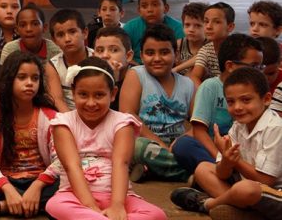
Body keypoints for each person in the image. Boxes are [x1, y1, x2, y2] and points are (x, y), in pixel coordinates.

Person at [45, 57, 168, 220]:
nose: (91, 103)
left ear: (113, 94)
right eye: (83, 94)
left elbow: (121, 163)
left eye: (99, 95)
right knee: (54, 205)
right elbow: (71, 166)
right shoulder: (63, 123)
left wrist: (117, 206)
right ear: (73, 92)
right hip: (74, 195)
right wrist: (91, 207)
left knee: (157, 215)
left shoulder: (123, 123)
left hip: (119, 196)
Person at [170, 67, 282, 218]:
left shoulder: (275, 127)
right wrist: (227, 160)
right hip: (249, 186)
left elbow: (266, 181)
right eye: (231, 102)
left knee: (245, 190)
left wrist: (236, 162)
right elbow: (221, 174)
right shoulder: (237, 126)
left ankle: (208, 204)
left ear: (266, 99)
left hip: (274, 192)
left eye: (246, 100)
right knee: (203, 169)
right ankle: (245, 211)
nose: (237, 107)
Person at [0, 51, 60, 220]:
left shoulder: (50, 116)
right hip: (7, 179)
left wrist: (37, 185)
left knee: (72, 180)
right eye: (22, 77)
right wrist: (7, 188)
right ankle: (31, 203)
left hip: (42, 180)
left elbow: (60, 160)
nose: (30, 83)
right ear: (8, 80)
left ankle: (4, 206)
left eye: (35, 78)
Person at [172, 34, 264, 174]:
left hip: (243, 152)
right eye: (254, 66)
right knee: (184, 145)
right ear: (230, 66)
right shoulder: (210, 87)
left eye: (260, 67)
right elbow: (199, 130)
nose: (258, 72)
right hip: (213, 150)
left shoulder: (256, 90)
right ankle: (218, 174)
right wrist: (221, 159)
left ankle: (208, 177)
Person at [120, 24, 194, 182]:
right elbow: (128, 116)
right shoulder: (136, 75)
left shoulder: (188, 84)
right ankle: (193, 175)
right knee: (136, 147)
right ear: (141, 55)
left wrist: (181, 143)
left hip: (178, 145)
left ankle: (151, 169)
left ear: (177, 54)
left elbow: (198, 124)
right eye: (150, 53)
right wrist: (160, 144)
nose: (157, 58)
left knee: (204, 141)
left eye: (165, 52)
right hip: (145, 140)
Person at [123, 0, 185, 64]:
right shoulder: (130, 28)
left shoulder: (178, 28)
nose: (150, 10)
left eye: (155, 5)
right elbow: (123, 55)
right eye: (144, 6)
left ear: (166, 8)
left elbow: (181, 57)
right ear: (139, 10)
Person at [47, 9, 93, 111]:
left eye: (72, 32)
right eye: (60, 35)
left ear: (85, 33)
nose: (67, 39)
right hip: (68, 116)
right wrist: (72, 124)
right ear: (54, 40)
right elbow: (57, 100)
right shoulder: (53, 66)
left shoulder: (97, 57)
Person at [189, 2, 236, 86]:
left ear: (230, 27)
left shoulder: (238, 48)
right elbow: (194, 76)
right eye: (206, 21)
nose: (209, 26)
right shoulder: (206, 50)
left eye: (216, 22)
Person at [92, 26, 134, 110]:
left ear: (128, 56)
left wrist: (115, 79)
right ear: (93, 56)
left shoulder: (137, 77)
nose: (105, 55)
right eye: (100, 50)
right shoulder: (91, 75)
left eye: (114, 50)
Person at [173, 2, 208, 75]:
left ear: (207, 26)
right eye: (187, 25)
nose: (191, 29)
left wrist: (177, 68)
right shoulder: (178, 45)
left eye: (198, 26)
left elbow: (200, 57)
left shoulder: (209, 44)